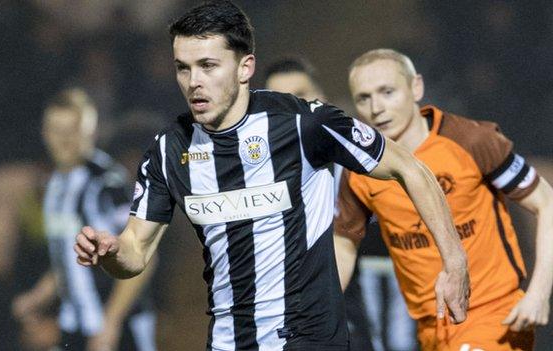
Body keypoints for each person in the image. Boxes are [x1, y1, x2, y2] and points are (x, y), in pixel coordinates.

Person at [74, 2, 470, 350]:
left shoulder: (304, 123)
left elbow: (409, 167)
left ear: (246, 67)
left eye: (208, 66)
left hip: (308, 337)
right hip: (229, 340)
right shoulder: (168, 150)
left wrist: (454, 263)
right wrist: (110, 253)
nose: (193, 82)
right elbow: (136, 251)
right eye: (183, 68)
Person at [335, 48, 553, 350]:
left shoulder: (470, 141)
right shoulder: (361, 168)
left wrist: (539, 293)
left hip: (492, 315)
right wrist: (321, 312)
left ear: (416, 87)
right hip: (429, 327)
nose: (376, 108)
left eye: (387, 92)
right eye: (364, 98)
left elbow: (547, 202)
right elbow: (344, 242)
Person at [12, 88, 156, 351]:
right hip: (77, 325)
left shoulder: (107, 184)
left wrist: (111, 322)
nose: (65, 140)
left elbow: (143, 255)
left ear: (91, 131)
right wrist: (36, 297)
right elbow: (68, 259)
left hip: (118, 329)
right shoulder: (54, 186)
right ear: (45, 133)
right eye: (57, 130)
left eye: (74, 130)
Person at [264, 57, 376, 351]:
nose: (292, 109)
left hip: (361, 319)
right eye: (279, 100)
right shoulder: (256, 180)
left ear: (321, 101)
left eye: (300, 96)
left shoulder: (365, 168)